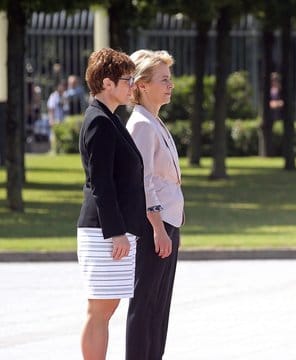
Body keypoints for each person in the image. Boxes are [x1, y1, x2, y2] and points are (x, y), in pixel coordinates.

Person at [76, 47, 147, 360]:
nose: (132, 86)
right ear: (107, 83)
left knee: (107, 307)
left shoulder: (109, 118)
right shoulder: (100, 122)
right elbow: (100, 183)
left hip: (112, 228)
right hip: (103, 230)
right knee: (100, 309)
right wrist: (116, 232)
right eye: (127, 80)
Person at [125, 49, 184, 360]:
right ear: (142, 85)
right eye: (164, 80)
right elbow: (144, 181)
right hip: (155, 227)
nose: (170, 85)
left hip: (169, 223)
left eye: (170, 79)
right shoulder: (141, 125)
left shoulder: (154, 121)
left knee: (159, 307)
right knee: (145, 304)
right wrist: (158, 228)